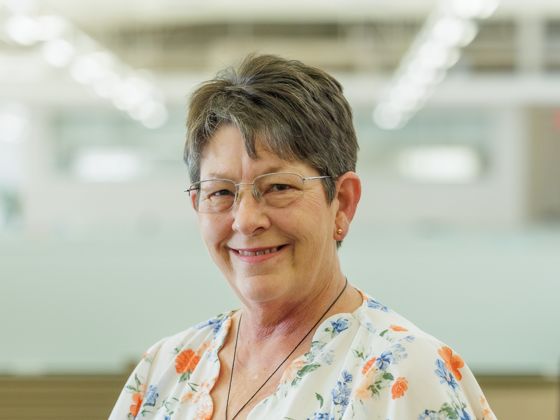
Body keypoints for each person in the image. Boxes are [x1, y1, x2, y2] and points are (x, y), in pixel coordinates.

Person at [110, 54, 495, 420]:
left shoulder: (402, 373)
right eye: (221, 192)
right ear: (196, 205)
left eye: (278, 187)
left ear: (342, 203)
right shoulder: (164, 373)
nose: (245, 220)